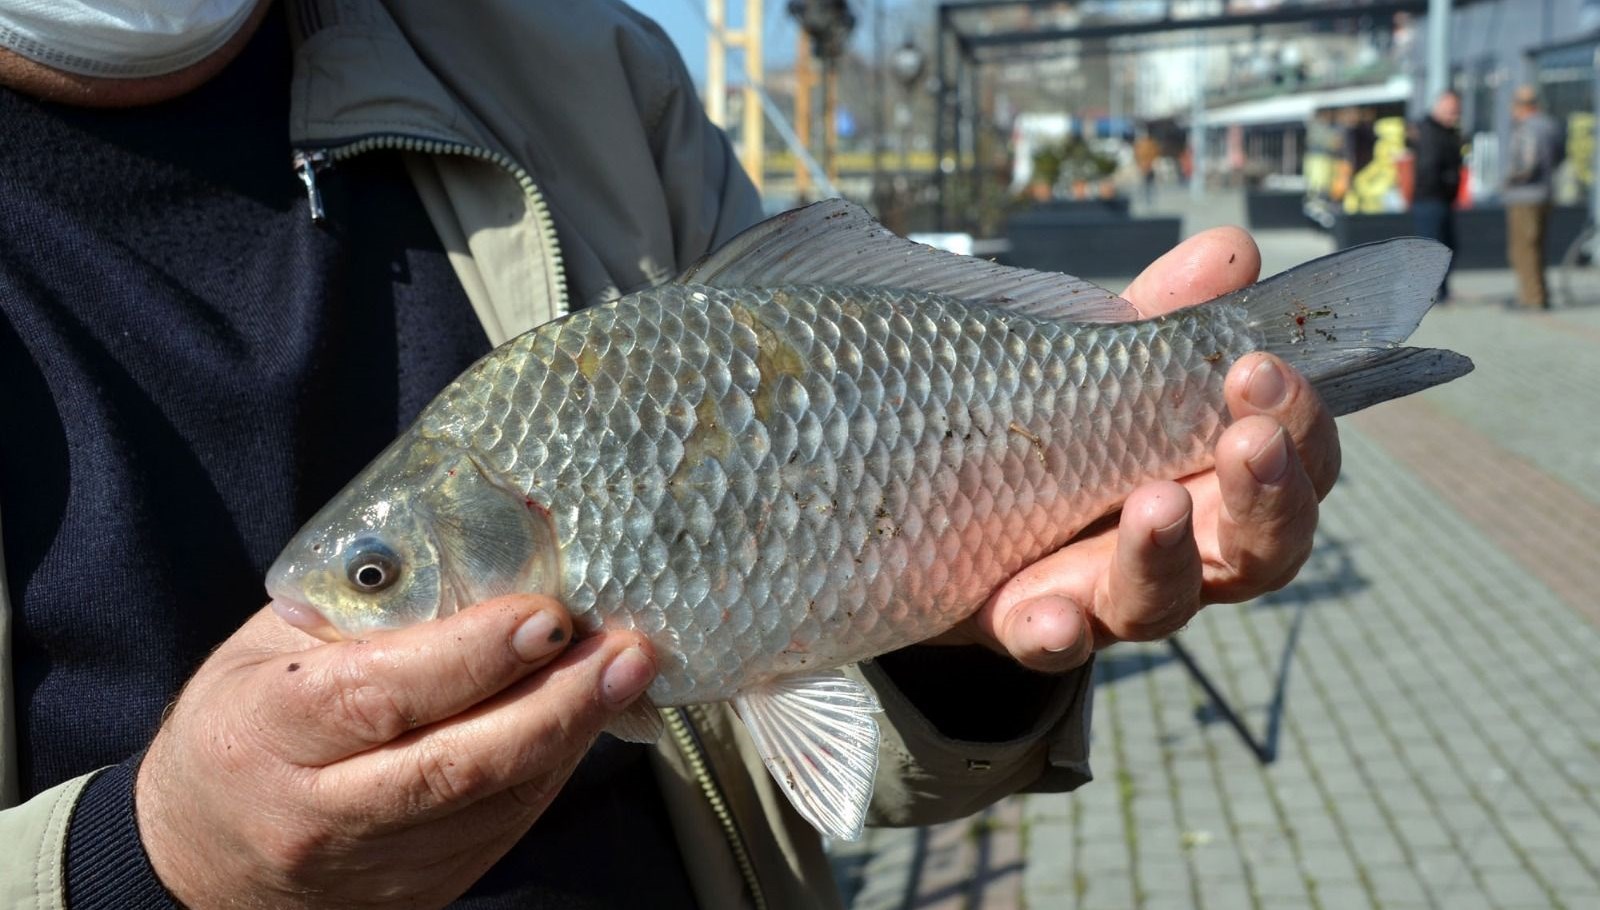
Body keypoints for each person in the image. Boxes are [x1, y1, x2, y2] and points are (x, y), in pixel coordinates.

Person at [0, 2, 1340, 908]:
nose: (348, 597)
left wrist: (961, 643)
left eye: (373, 566)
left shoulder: (590, 70)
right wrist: (145, 862)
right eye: (376, 569)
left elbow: (815, 753)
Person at [1504, 85, 1562, 310]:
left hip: (1524, 197)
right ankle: (1539, 293)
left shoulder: (1527, 128)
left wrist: (1508, 180)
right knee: (1537, 247)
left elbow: (1527, 165)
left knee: (1523, 250)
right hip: (1544, 193)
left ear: (1521, 106)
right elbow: (1558, 156)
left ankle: (1531, 298)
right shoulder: (1550, 126)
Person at [1410, 90, 1463, 300]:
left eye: (1456, 111)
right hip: (1430, 198)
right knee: (1433, 247)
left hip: (1442, 199)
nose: (1454, 116)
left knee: (1447, 246)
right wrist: (1448, 181)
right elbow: (1428, 167)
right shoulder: (1430, 132)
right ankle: (1431, 292)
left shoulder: (1447, 132)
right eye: (1450, 111)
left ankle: (1439, 290)